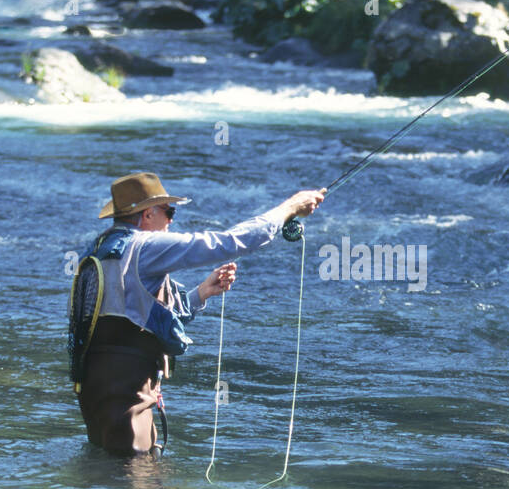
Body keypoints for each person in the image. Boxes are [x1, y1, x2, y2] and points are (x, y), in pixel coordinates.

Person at [75, 171, 324, 456]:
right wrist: (289, 208)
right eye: (169, 211)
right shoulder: (147, 246)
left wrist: (200, 293)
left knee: (108, 472)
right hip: (129, 392)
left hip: (95, 389)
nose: (171, 220)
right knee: (134, 482)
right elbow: (228, 242)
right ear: (147, 215)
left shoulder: (99, 249)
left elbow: (130, 315)